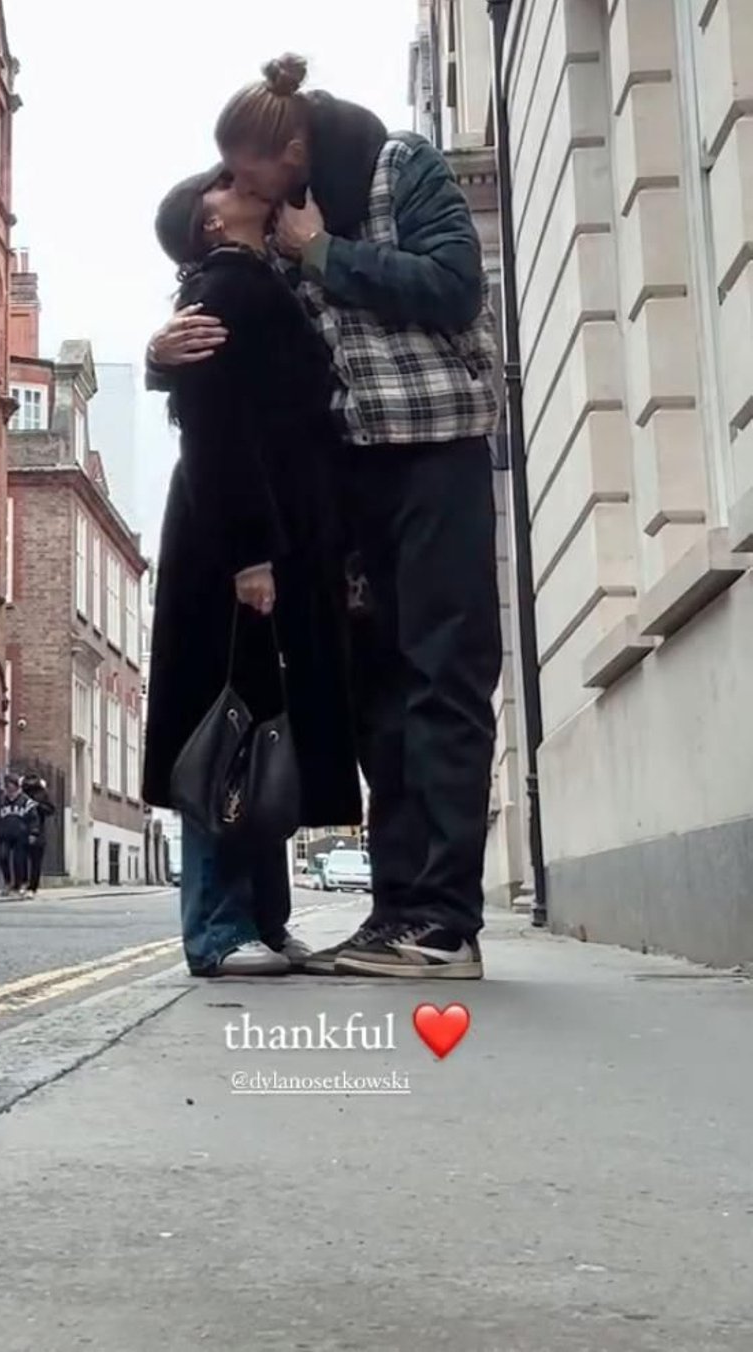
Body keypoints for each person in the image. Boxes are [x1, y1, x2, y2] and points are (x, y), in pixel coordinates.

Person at [150, 54, 501, 981]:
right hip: (345, 491)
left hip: (436, 454)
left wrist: (326, 256)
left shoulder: (401, 169)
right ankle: (396, 914)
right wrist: (159, 354)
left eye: (244, 171)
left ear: (293, 153)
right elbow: (231, 353)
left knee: (444, 681)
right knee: (374, 698)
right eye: (229, 179)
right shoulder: (266, 238)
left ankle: (442, 923)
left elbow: (456, 288)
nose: (239, 187)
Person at [142, 164, 361, 979]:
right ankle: (216, 928)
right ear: (208, 221)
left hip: (274, 533)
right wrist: (248, 551)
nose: (243, 182)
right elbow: (212, 426)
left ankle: (265, 920)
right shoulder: (223, 288)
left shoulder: (258, 278)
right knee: (225, 729)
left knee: (265, 729)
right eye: (225, 181)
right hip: (229, 542)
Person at [0, 774, 39, 896]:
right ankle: (8, 881)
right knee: (3, 857)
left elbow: (34, 818)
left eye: (11, 785)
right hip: (5, 835)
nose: (9, 789)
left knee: (19, 860)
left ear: (16, 786)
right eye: (7, 786)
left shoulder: (26, 802)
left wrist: (33, 833)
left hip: (21, 835)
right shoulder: (1, 801)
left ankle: (21, 883)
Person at [21, 773, 55, 896]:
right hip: (24, 830)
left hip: (36, 830)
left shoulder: (41, 793)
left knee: (34, 860)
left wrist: (38, 806)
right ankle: (27, 884)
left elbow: (50, 809)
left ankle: (31, 886)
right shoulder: (24, 794)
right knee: (23, 859)